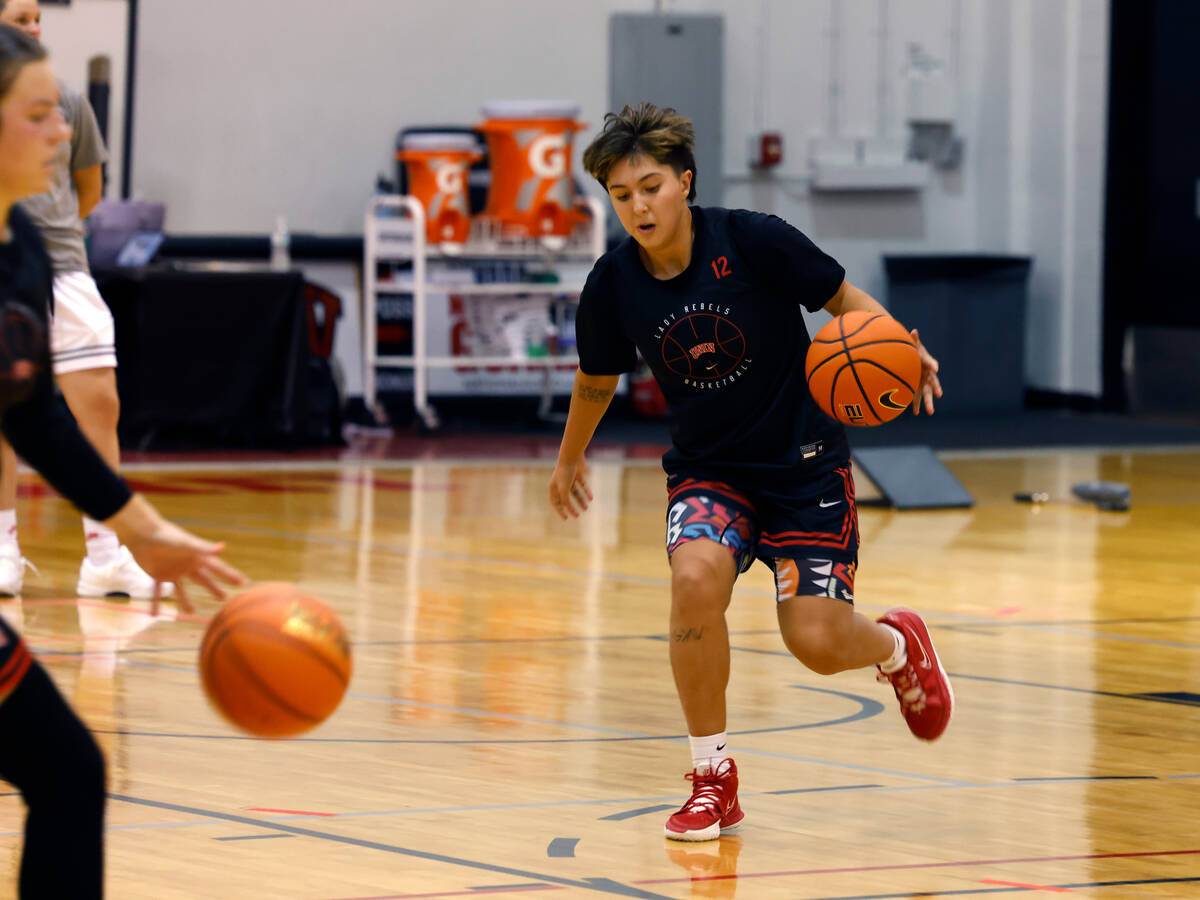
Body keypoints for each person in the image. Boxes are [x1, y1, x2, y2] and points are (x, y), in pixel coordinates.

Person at [548, 103, 953, 842]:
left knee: (816, 642)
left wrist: (898, 345)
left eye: (649, 186)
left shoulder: (754, 240)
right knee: (693, 580)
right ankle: (712, 778)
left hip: (804, 465)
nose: (637, 205)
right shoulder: (612, 285)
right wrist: (569, 455)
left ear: (684, 182)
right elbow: (596, 379)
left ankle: (897, 648)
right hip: (710, 470)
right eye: (621, 194)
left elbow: (842, 302)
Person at [0, 25, 245, 896]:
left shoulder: (23, 253)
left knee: (67, 771)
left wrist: (146, 533)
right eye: (38, 115)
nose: (63, 131)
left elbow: (33, 419)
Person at [0, 0, 160, 599]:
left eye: (37, 17)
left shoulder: (67, 100)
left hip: (64, 266)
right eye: (20, 18)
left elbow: (87, 191)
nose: (34, 28)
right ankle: (3, 546)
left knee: (96, 402)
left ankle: (106, 553)